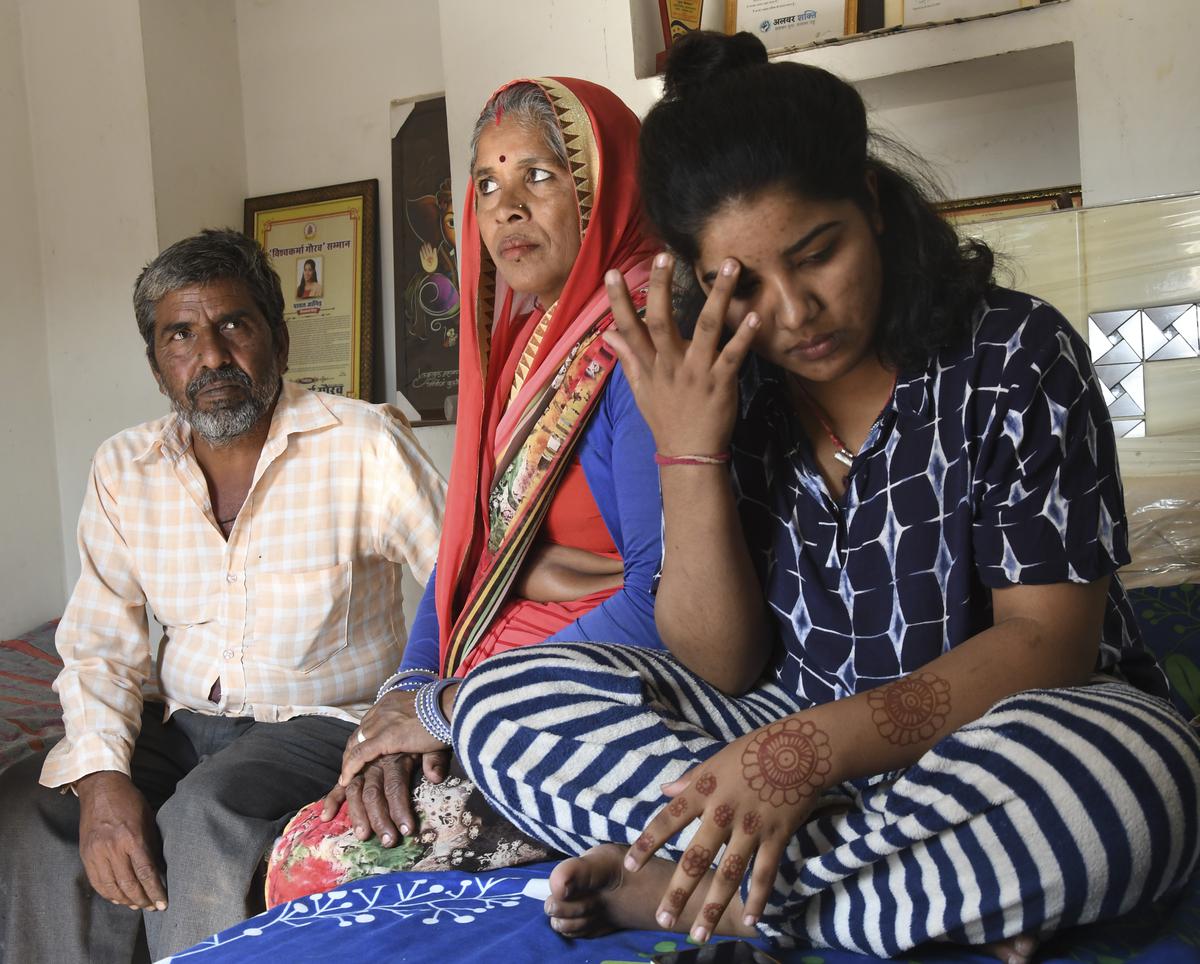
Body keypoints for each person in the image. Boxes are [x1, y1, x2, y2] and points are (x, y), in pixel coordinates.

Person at [450, 32, 1200, 963]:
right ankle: (903, 891)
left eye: (817, 254)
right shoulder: (735, 390)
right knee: (497, 702)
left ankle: (701, 890)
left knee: (1131, 780)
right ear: (695, 278)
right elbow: (722, 665)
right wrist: (690, 454)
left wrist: (803, 759)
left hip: (1002, 727)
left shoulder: (1014, 353)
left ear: (874, 206)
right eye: (746, 284)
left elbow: (1050, 641)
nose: (795, 311)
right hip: (782, 721)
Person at [0, 229, 445, 964]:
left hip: (316, 721)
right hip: (180, 721)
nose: (210, 356)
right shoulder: (124, 467)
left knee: (205, 817)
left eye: (234, 324)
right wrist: (105, 777)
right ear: (157, 364)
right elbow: (100, 645)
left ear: (279, 338)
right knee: (37, 811)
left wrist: (419, 709)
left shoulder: (363, 444)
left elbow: (465, 588)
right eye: (181, 335)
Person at [267, 77, 665, 893]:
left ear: (608, 187)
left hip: (585, 705)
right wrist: (409, 695)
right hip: (475, 692)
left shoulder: (644, 343)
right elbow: (464, 564)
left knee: (323, 870)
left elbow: (663, 599)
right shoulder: (524, 345)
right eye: (487, 183)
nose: (506, 208)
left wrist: (451, 708)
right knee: (312, 843)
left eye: (541, 176)